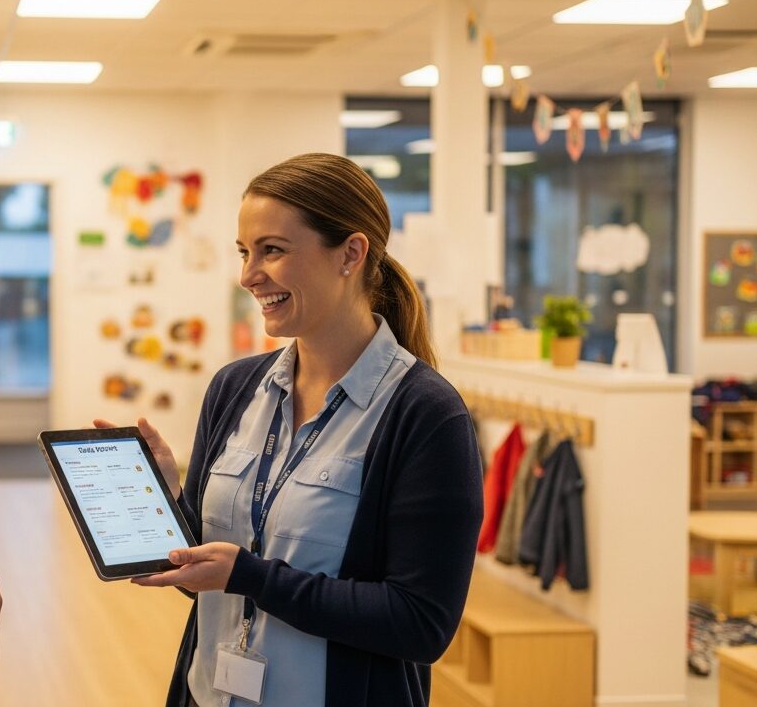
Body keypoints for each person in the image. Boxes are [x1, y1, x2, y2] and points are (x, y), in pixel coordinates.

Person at [115, 153, 483, 706]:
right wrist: (168, 500)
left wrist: (253, 577)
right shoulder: (234, 389)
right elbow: (210, 576)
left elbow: (420, 625)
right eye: (244, 252)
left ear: (351, 254)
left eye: (273, 250)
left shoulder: (425, 415)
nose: (248, 275)